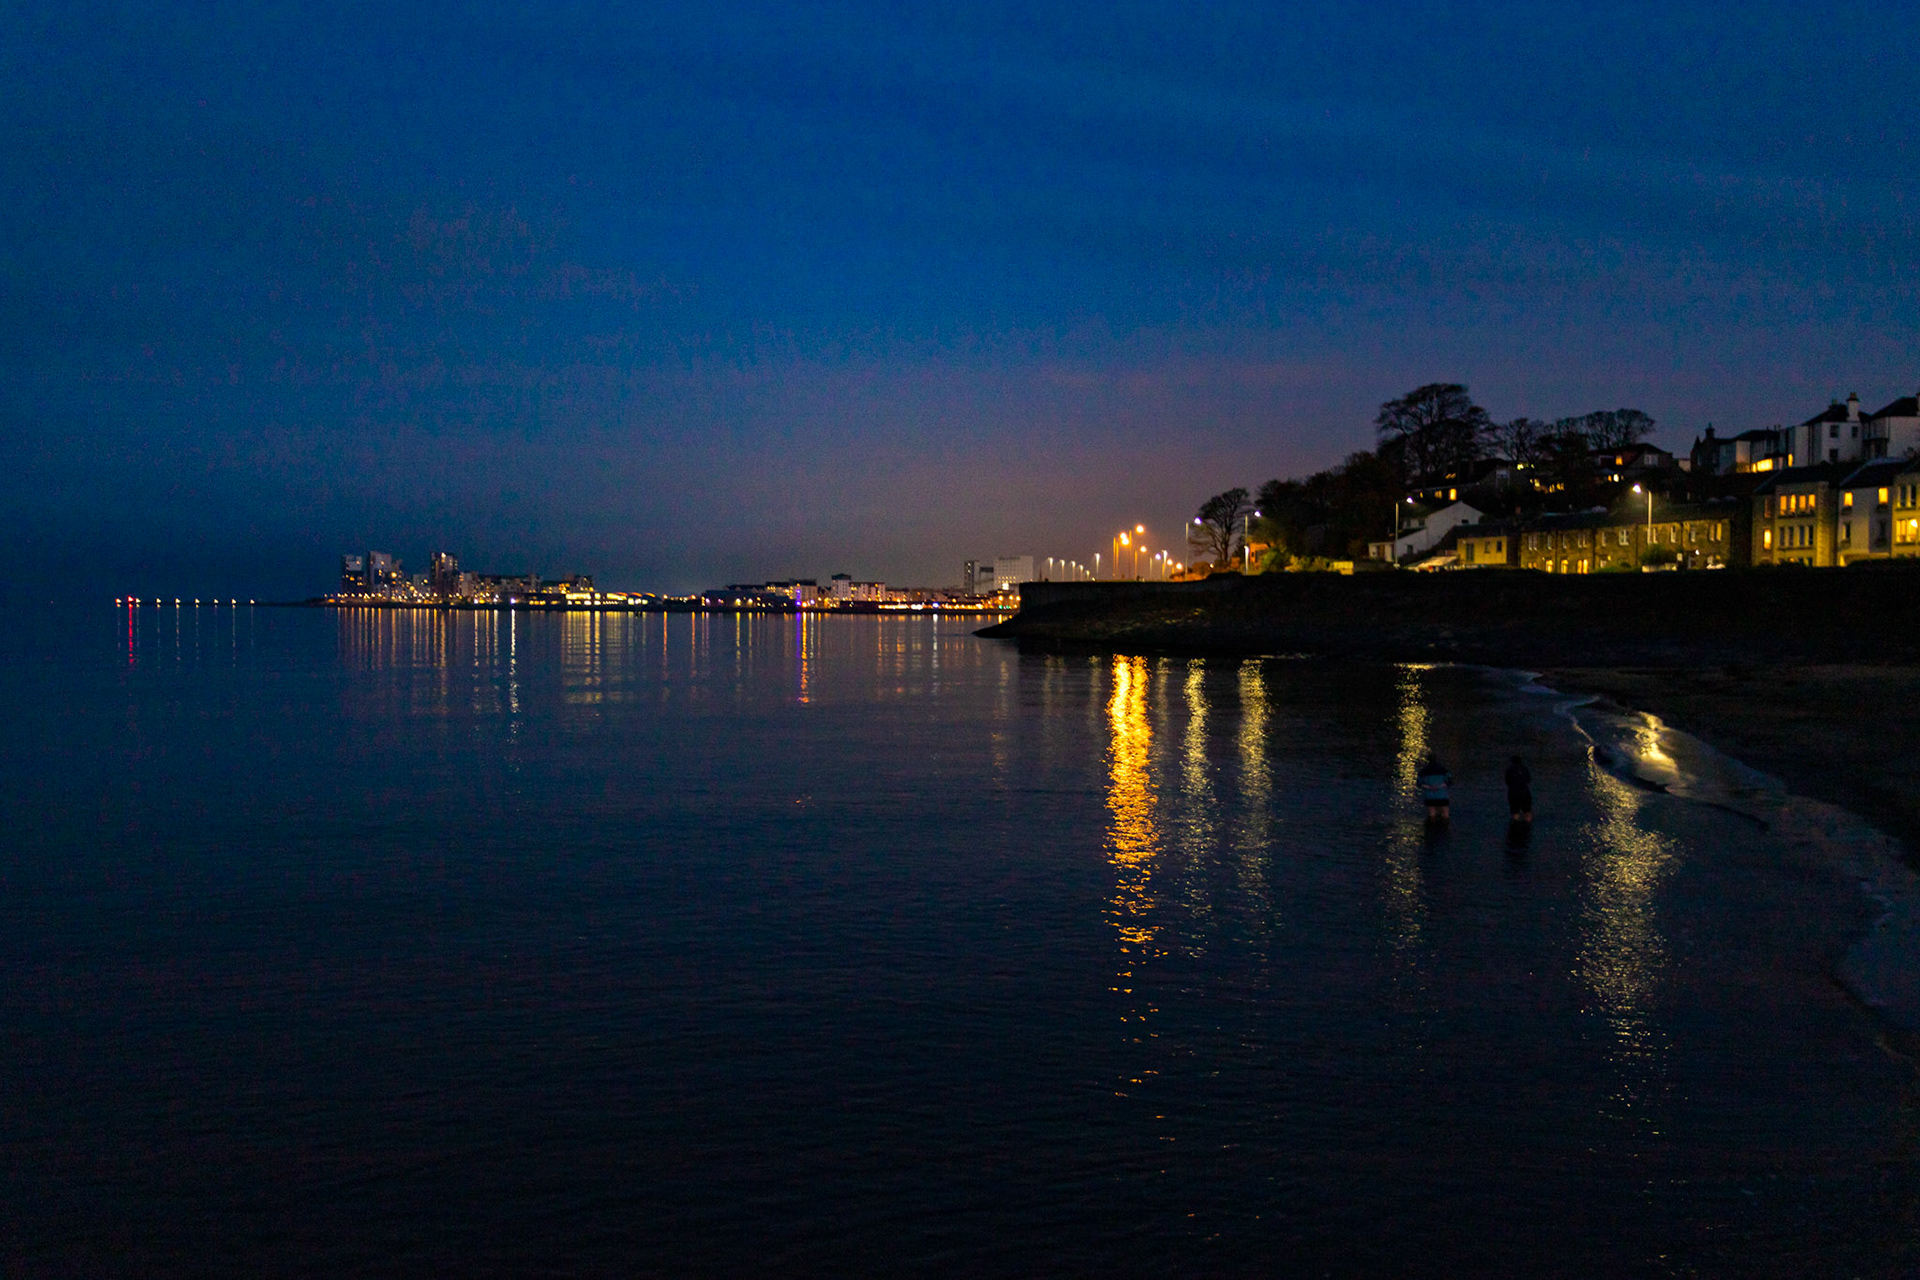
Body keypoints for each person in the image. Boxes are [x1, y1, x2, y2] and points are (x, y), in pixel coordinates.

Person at [1416, 753, 1451, 823]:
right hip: (1442, 795)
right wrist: (1439, 786)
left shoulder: (1423, 771)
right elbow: (1449, 782)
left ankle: (1432, 830)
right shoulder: (1443, 770)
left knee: (1432, 814)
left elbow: (1419, 784)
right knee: (1445, 814)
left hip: (1429, 795)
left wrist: (1430, 787)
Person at [1505, 755, 1533, 823]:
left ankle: (1515, 827)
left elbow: (1507, 781)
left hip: (1513, 792)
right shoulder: (1525, 769)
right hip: (1525, 792)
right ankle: (1528, 827)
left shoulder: (1509, 770)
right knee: (1527, 811)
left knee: (1515, 812)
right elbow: (1528, 780)